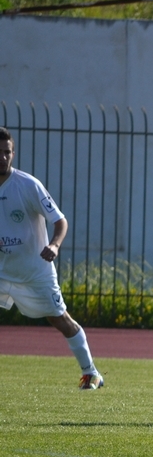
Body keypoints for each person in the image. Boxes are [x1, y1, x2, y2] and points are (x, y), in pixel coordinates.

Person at [0, 127, 104, 389]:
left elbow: (60, 221)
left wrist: (55, 245)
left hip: (35, 271)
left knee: (59, 319)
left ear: (13, 154)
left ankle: (91, 372)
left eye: (7, 152)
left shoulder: (28, 185)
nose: (2, 157)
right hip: (2, 271)